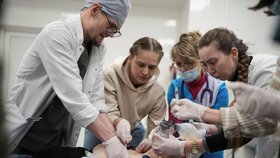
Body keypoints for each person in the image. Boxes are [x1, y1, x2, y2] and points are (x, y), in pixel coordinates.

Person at [4, 0, 131, 157]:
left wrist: (115, 126)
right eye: (111, 26)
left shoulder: (98, 48)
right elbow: (73, 96)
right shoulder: (57, 34)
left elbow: (95, 99)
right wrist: (110, 139)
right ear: (95, 9)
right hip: (24, 137)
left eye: (116, 31)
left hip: (54, 142)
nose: (111, 34)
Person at [152, 27, 279, 158]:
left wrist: (187, 144)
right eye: (205, 64)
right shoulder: (241, 79)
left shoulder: (264, 72)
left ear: (234, 53)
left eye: (213, 62)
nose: (210, 70)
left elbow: (262, 124)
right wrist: (211, 129)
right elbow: (245, 130)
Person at [84, 37, 167, 151]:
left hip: (133, 130)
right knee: (91, 154)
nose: (145, 72)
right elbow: (107, 110)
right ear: (130, 58)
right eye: (141, 64)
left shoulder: (158, 92)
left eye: (152, 67)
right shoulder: (109, 75)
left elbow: (156, 127)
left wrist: (151, 139)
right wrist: (118, 122)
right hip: (101, 125)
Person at [166, 32, 229, 158]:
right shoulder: (175, 87)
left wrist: (197, 138)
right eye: (178, 64)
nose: (182, 69)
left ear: (201, 62)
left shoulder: (219, 88)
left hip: (212, 150)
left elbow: (220, 127)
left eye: (188, 63)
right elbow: (173, 123)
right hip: (183, 149)